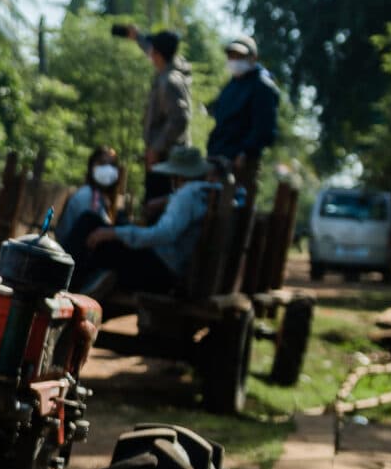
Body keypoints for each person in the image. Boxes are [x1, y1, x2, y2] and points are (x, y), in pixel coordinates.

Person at [78, 145, 220, 297]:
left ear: (178, 176)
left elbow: (163, 234)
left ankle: (69, 281)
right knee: (96, 226)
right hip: (166, 268)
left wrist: (114, 233)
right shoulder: (203, 193)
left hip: (160, 271)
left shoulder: (187, 195)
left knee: (90, 223)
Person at [205, 34, 280, 208]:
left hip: (241, 165)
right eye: (231, 56)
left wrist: (245, 152)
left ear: (253, 58)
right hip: (218, 159)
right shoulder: (231, 86)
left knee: (231, 213)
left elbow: (265, 129)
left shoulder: (262, 86)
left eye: (239, 56)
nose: (234, 60)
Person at [132, 28, 192, 205]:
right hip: (163, 158)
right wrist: (137, 36)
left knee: (156, 206)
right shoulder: (171, 71)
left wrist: (156, 148)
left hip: (165, 160)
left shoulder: (169, 81)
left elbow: (179, 119)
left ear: (157, 54)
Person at [58, 145, 126, 262]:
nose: (108, 169)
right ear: (91, 167)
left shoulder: (103, 200)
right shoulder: (86, 196)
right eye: (102, 163)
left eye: (112, 164)